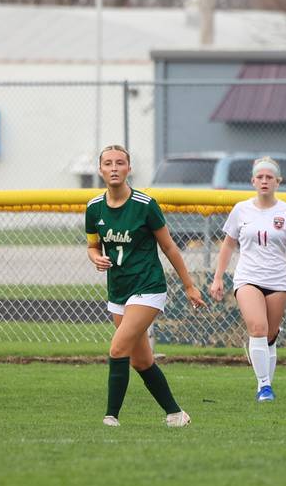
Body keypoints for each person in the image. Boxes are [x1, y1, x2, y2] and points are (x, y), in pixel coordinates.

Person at [85, 144, 206, 427]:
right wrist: (96, 258)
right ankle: (176, 414)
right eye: (108, 163)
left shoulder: (144, 205)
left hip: (148, 286)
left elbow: (169, 247)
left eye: (120, 163)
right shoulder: (94, 208)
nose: (114, 168)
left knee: (117, 350)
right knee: (140, 361)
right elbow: (92, 246)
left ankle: (110, 417)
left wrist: (189, 285)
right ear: (100, 169)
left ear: (129, 168)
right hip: (118, 290)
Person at [209, 156, 286, 402]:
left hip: (277, 281)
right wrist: (218, 278)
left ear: (278, 181)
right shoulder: (241, 210)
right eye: (260, 177)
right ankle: (264, 386)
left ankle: (263, 382)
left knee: (269, 335)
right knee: (257, 328)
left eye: (270, 177)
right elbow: (227, 245)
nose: (264, 181)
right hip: (248, 278)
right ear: (253, 181)